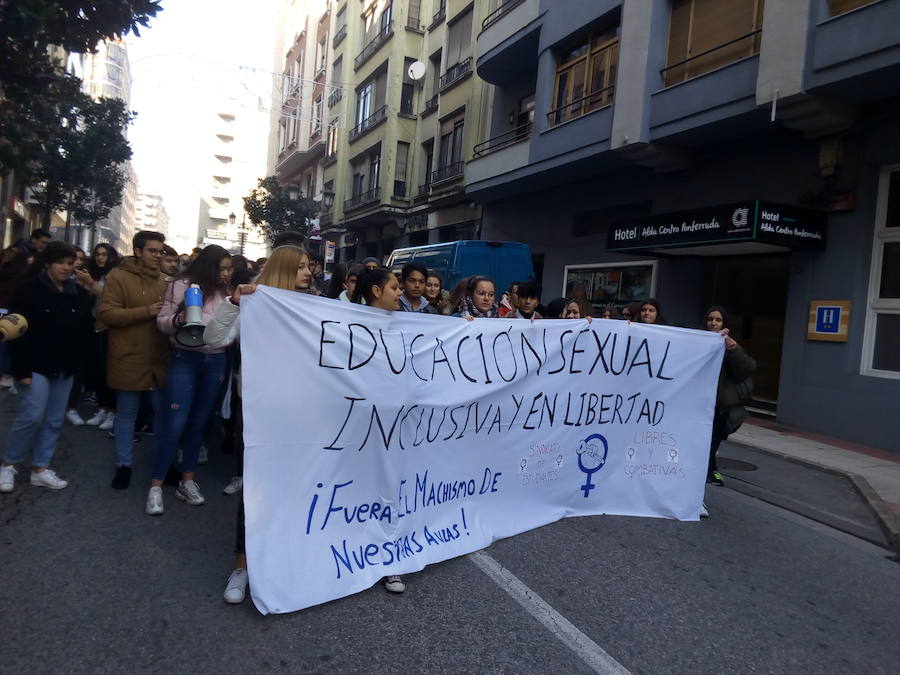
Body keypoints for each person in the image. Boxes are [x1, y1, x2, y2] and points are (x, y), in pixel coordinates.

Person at [203, 245, 313, 604]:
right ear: (282, 270)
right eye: (300, 268)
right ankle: (242, 566)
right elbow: (214, 339)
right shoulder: (251, 302)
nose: (308, 273)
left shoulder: (315, 305)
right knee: (257, 493)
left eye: (309, 266)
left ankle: (285, 560)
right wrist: (234, 303)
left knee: (297, 490)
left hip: (302, 417)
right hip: (261, 418)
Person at [145, 245, 232, 515]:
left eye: (230, 269)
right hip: (184, 358)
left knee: (198, 423)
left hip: (215, 359)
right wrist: (179, 319)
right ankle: (156, 485)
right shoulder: (181, 285)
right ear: (209, 267)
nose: (227, 273)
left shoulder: (228, 293)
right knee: (175, 423)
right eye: (223, 268)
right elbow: (162, 322)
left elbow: (233, 329)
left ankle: (188, 481)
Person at [0, 242, 93, 493]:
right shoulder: (28, 290)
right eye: (60, 262)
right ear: (47, 263)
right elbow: (15, 332)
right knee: (31, 415)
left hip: (66, 366)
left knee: (53, 419)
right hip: (35, 364)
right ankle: (8, 464)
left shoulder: (79, 294)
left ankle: (41, 468)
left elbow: (86, 330)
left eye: (69, 262)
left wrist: (79, 363)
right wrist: (20, 370)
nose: (66, 267)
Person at [97, 231, 169, 490]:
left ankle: (163, 467)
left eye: (160, 251)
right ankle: (124, 465)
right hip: (128, 355)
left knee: (162, 417)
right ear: (138, 251)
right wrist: (145, 312)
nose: (158, 256)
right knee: (127, 414)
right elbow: (107, 314)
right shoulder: (118, 276)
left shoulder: (166, 281)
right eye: (153, 251)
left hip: (160, 359)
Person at [704, 306, 756, 487]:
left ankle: (710, 469)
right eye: (710, 319)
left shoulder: (730, 344)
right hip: (700, 401)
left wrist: (733, 349)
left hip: (720, 404)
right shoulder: (698, 342)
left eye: (718, 320)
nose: (713, 323)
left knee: (714, 438)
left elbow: (747, 368)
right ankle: (707, 469)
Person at [82, 243, 121, 429]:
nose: (100, 258)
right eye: (97, 254)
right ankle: (103, 408)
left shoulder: (115, 275)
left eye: (104, 254)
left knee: (109, 370)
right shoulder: (95, 274)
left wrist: (90, 283)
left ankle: (112, 411)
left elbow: (109, 297)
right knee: (98, 370)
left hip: (110, 327)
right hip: (95, 325)